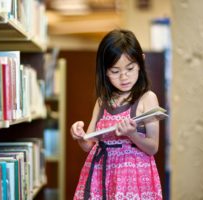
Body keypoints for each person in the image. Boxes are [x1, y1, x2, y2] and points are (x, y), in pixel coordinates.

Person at [70, 29, 163, 200]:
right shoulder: (101, 102)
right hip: (101, 173)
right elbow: (89, 145)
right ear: (104, 71)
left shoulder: (147, 98)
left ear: (141, 62)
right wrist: (79, 136)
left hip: (133, 178)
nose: (124, 77)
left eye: (130, 68)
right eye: (115, 71)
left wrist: (132, 134)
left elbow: (153, 147)